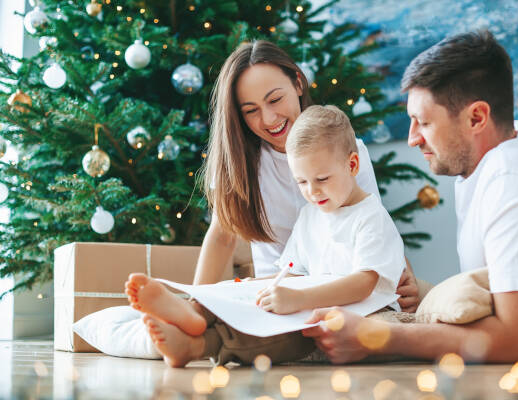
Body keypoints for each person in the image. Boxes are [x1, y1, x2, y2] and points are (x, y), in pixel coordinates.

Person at [302, 29, 518, 363]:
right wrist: (425, 294)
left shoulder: (513, 183)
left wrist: (375, 337)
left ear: (477, 117)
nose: (413, 139)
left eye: (423, 122)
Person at [125, 105, 407, 367]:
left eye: (322, 179)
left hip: (362, 310)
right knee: (245, 292)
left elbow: (363, 284)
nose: (312, 191)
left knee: (294, 333)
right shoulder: (311, 214)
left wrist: (299, 300)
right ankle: (198, 310)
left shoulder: (370, 216)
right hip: (314, 301)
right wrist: (256, 285)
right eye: (301, 182)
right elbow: (294, 272)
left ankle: (198, 345)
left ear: (353, 165)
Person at [193, 40, 420, 311]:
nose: (268, 119)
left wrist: (402, 275)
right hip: (281, 291)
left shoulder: (346, 150)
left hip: (344, 293)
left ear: (298, 84)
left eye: (275, 99)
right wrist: (198, 301)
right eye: (251, 111)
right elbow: (222, 237)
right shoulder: (241, 165)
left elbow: (371, 218)